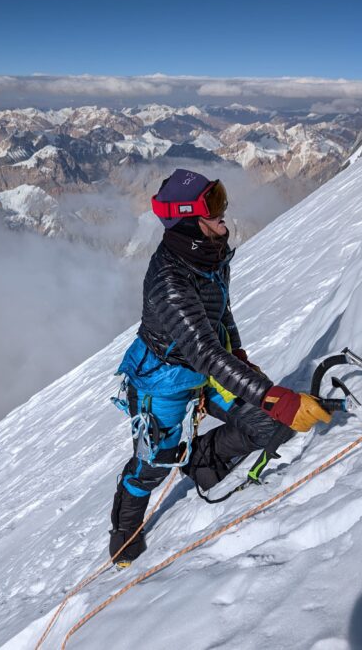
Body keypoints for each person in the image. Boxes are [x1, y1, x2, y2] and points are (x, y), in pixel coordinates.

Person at [109, 168, 331, 567]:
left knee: (268, 425)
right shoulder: (170, 282)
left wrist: (241, 356)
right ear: (187, 217)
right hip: (164, 379)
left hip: (208, 368)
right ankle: (124, 535)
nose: (224, 212)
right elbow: (205, 352)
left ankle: (199, 461)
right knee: (153, 465)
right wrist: (272, 395)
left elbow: (221, 314)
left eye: (221, 198)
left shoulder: (211, 255)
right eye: (213, 205)